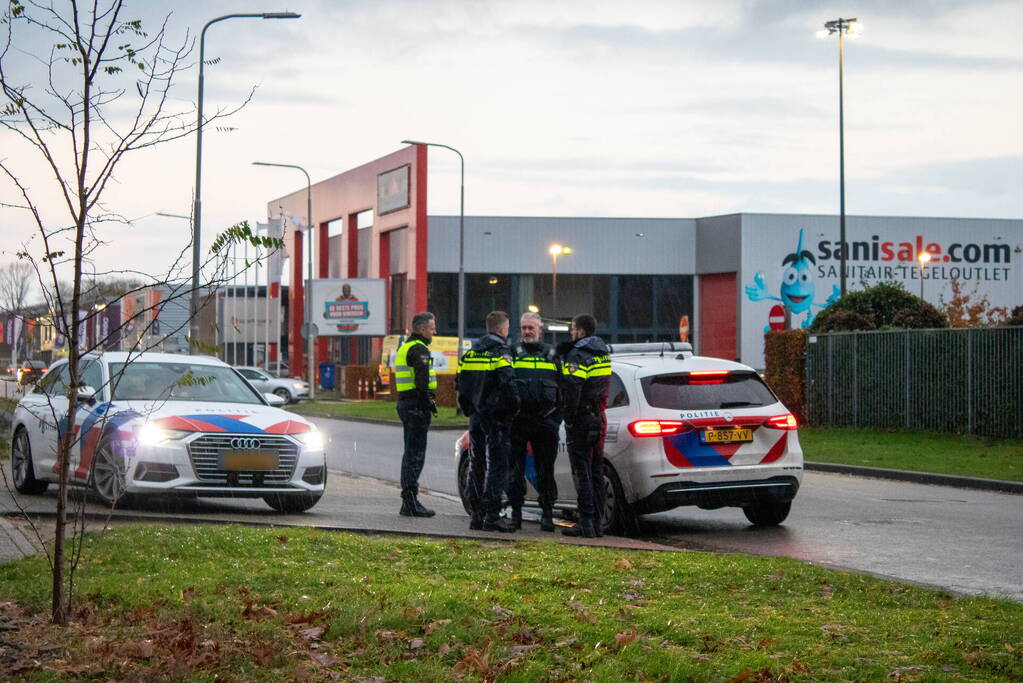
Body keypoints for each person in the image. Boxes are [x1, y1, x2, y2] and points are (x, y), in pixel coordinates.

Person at [456, 310, 519, 532]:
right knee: (498, 464)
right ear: (502, 328)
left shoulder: (470, 355)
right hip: (496, 416)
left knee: (477, 463)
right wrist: (514, 408)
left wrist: (469, 409)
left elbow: (460, 386)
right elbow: (508, 383)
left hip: (476, 416)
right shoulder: (500, 353)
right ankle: (492, 515)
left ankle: (476, 515)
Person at [508, 312, 561, 532]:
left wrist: (556, 419)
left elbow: (563, 388)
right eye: (524, 328)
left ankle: (547, 514)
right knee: (515, 471)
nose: (527, 332)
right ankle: (516, 514)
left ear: (540, 329)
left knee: (545, 470)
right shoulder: (513, 353)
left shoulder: (552, 354)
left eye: (531, 328)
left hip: (545, 421)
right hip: (519, 421)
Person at [558, 314, 611, 538]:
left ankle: (586, 522)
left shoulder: (577, 355)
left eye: (573, 329)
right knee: (596, 471)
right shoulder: (603, 353)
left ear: (580, 331)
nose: (571, 333)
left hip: (581, 419)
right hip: (598, 418)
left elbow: (572, 389)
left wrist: (568, 417)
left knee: (582, 471)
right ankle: (597, 523)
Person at [395, 312, 438, 517]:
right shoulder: (419, 349)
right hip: (416, 406)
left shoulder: (405, 347)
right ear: (422, 329)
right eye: (431, 328)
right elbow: (422, 383)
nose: (434, 331)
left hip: (406, 403)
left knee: (409, 453)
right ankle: (410, 502)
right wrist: (427, 402)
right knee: (415, 455)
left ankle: (408, 501)